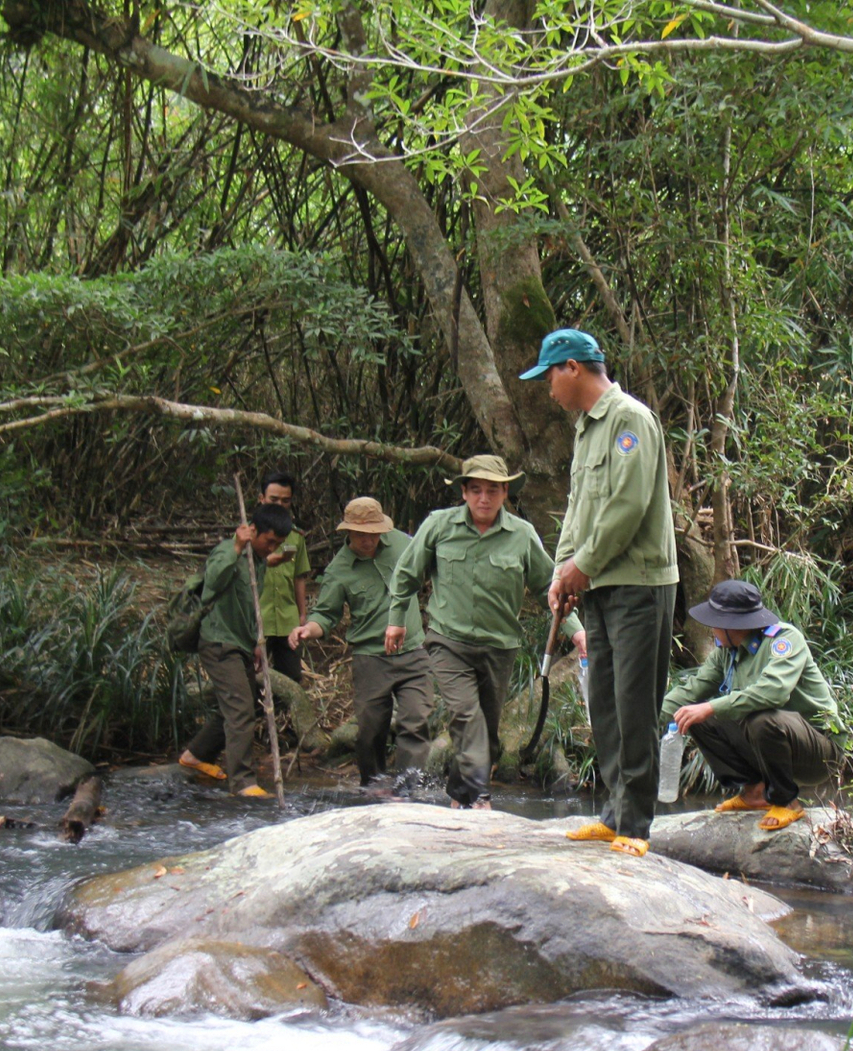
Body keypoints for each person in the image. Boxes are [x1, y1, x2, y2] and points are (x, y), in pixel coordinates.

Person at [525, 329, 678, 857]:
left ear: (572, 367)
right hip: (600, 587)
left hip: (638, 583)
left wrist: (580, 568)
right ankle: (612, 816)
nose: (548, 388)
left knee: (635, 705)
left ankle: (635, 827)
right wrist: (561, 574)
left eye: (549, 375)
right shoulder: (585, 430)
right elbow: (579, 510)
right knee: (606, 703)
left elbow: (626, 507)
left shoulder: (629, 419)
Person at [386, 456, 583, 810]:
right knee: (466, 715)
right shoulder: (439, 526)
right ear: (463, 492)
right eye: (475, 490)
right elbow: (406, 574)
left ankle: (460, 796)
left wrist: (576, 631)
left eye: (493, 490)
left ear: (505, 492)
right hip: (448, 642)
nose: (483, 498)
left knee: (486, 731)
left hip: (499, 647)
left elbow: (547, 588)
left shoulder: (521, 534)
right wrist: (397, 618)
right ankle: (479, 796)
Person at [662, 579, 841, 830]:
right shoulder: (726, 650)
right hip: (770, 742)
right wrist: (644, 720)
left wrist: (712, 707)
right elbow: (691, 692)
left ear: (731, 624)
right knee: (693, 715)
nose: (711, 628)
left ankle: (787, 802)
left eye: (715, 622)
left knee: (761, 718)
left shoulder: (785, 640)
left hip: (819, 751)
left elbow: (773, 692)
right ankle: (754, 792)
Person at [289, 497, 434, 791]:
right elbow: (325, 615)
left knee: (416, 721)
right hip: (371, 657)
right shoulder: (340, 569)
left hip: (413, 652)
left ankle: (410, 787)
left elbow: (435, 557)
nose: (369, 541)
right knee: (370, 730)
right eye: (361, 535)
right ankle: (374, 786)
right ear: (348, 533)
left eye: (374, 534)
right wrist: (308, 630)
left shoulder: (402, 542)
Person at [178, 503, 293, 798]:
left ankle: (195, 755)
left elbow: (250, 605)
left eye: (277, 544)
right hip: (219, 642)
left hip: (241, 643)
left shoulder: (259, 562)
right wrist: (236, 548)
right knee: (240, 709)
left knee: (243, 705)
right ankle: (242, 782)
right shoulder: (227, 552)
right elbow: (212, 585)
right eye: (269, 541)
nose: (272, 548)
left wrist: (257, 641)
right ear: (252, 531)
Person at [258, 470, 312, 687]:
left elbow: (299, 577)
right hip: (258, 617)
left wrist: (301, 614)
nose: (279, 504)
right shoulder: (248, 535)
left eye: (285, 500)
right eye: (274, 499)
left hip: (287, 619)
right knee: (253, 674)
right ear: (261, 499)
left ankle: (285, 719)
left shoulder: (296, 537)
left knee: (291, 677)